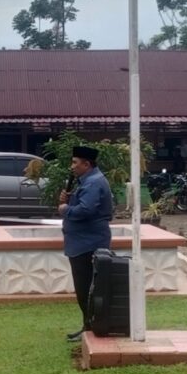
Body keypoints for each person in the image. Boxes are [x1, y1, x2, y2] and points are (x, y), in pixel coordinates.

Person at [59, 145, 113, 342]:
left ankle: (91, 327)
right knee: (85, 289)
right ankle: (87, 326)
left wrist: (65, 209)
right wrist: (70, 200)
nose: (72, 167)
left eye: (75, 163)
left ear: (87, 164)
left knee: (87, 288)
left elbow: (85, 211)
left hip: (88, 244)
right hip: (81, 242)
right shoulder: (88, 181)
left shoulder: (93, 183)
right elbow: (83, 204)